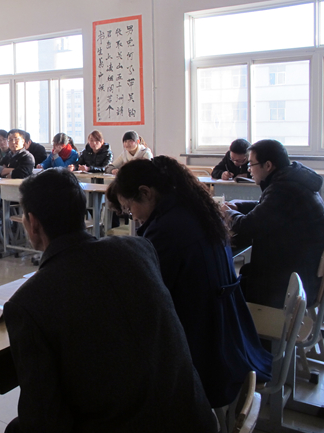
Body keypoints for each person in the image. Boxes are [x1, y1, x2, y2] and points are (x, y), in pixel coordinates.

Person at [4, 168, 216, 433]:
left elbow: (43, 419)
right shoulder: (139, 249)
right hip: (195, 418)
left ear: (33, 223)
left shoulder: (28, 302)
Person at [107, 156, 272, 407]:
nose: (133, 217)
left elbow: (151, 295)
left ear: (146, 192)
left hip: (205, 350)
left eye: (129, 209)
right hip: (227, 332)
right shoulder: (194, 209)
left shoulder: (168, 229)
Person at [224, 139, 324, 308]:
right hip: (303, 269)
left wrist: (227, 212)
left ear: (268, 165)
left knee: (233, 287)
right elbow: (267, 208)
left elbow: (248, 227)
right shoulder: (292, 180)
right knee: (244, 275)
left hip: (292, 282)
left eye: (251, 164)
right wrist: (238, 206)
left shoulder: (283, 189)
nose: (249, 169)